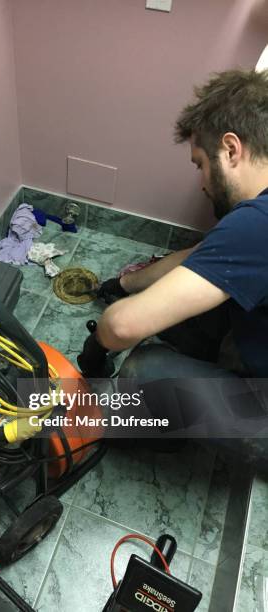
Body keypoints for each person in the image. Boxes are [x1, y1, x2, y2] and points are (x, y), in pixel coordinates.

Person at [77, 69, 268, 454]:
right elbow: (202, 256)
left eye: (201, 163)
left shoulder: (256, 224)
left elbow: (121, 326)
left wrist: (95, 348)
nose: (201, 181)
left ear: (231, 150)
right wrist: (124, 285)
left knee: (145, 372)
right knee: (180, 312)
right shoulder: (254, 218)